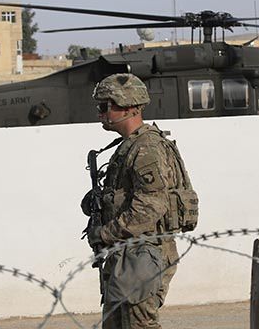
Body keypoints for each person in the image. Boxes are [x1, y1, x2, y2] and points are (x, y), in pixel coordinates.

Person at [82, 73, 197, 329]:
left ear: (128, 107)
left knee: (138, 325)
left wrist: (105, 233)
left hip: (143, 254)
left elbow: (150, 206)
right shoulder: (130, 146)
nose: (100, 113)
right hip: (130, 252)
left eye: (105, 106)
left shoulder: (147, 149)